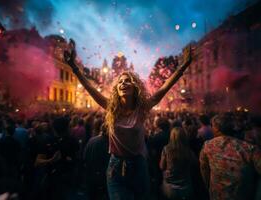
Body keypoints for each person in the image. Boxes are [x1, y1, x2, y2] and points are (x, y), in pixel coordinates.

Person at [64, 39, 192, 200]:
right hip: (115, 167)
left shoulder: (142, 108)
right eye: (120, 82)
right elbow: (89, 88)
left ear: (135, 87)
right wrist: (74, 68)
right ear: (117, 89)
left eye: (128, 81)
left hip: (138, 165)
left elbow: (165, 87)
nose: (123, 83)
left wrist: (183, 66)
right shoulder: (111, 107)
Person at [200, 113, 261, 200]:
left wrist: (209, 187)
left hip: (217, 196)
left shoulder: (207, 146)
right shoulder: (249, 149)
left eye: (212, 126)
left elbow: (204, 170)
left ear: (217, 128)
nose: (211, 128)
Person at [159, 127, 196, 199]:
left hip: (170, 185)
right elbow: (195, 164)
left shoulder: (166, 149)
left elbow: (162, 167)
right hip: (185, 184)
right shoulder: (188, 150)